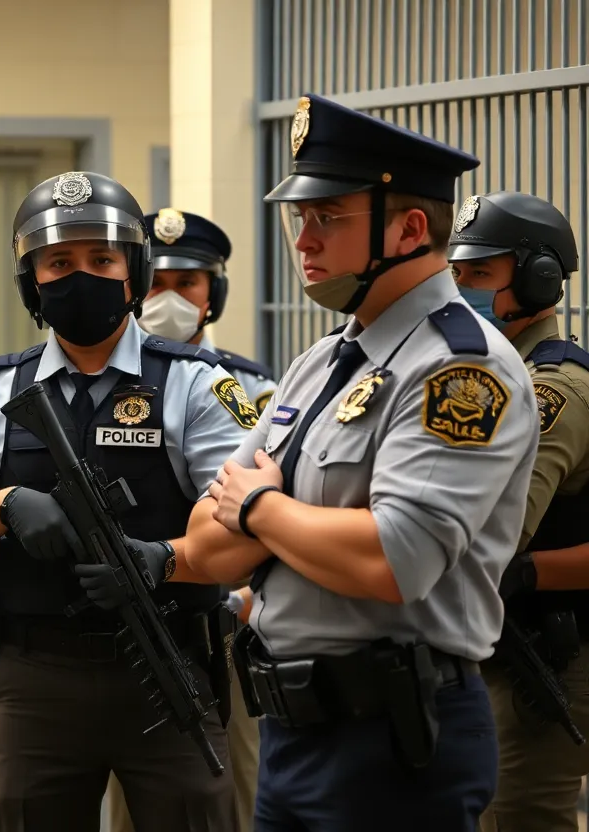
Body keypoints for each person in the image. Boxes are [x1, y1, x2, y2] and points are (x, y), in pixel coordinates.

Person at [186, 92, 539, 832]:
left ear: (411, 227)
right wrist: (300, 529)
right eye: (300, 218)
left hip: (393, 738)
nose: (304, 239)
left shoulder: (460, 371)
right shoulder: (325, 361)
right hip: (292, 729)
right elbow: (204, 547)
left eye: (329, 217)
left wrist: (262, 510)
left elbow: (394, 560)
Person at [0, 170, 253, 831]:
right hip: (36, 678)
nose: (79, 275)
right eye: (58, 262)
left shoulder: (196, 386)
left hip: (169, 664)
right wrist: (0, 505)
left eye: (101, 258)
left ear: (133, 272)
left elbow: (243, 540)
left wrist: (162, 559)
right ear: (31, 279)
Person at [101, 209, 274, 832]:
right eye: (160, 282)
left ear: (214, 295)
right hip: (134, 619)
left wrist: (256, 591)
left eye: (190, 284)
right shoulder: (110, 379)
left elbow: (276, 505)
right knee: (130, 803)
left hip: (225, 622)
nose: (170, 298)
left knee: (234, 785)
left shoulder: (256, 389)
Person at [446, 191, 589, 832]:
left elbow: (491, 532)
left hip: (544, 656)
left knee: (519, 815)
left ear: (538, 278)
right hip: (500, 646)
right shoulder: (498, 373)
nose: (461, 287)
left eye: (481, 273)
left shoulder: (549, 389)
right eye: (457, 271)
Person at [141, 208, 277, 412]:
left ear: (215, 294)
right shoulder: (102, 376)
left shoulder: (250, 387)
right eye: (155, 283)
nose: (169, 297)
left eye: (186, 283)